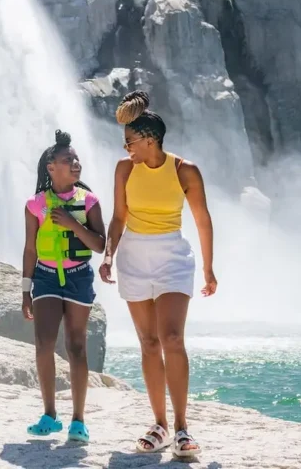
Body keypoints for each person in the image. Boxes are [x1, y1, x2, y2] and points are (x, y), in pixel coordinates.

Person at [99, 91, 217, 457]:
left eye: (130, 141)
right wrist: (107, 255)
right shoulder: (124, 169)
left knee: (171, 338)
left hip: (173, 256)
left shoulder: (185, 170)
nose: (126, 147)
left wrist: (209, 269)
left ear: (150, 139)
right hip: (133, 255)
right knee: (149, 343)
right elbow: (119, 217)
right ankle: (160, 424)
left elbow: (202, 220)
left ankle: (182, 427)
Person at [21, 130, 106, 444]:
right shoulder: (37, 205)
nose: (75, 163)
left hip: (79, 277)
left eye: (76, 158)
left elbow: (99, 244)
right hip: (44, 276)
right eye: (67, 159)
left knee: (76, 346)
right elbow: (30, 249)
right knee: (43, 344)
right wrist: (24, 290)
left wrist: (73, 224)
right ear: (50, 168)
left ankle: (78, 420)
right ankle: (49, 414)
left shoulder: (89, 202)